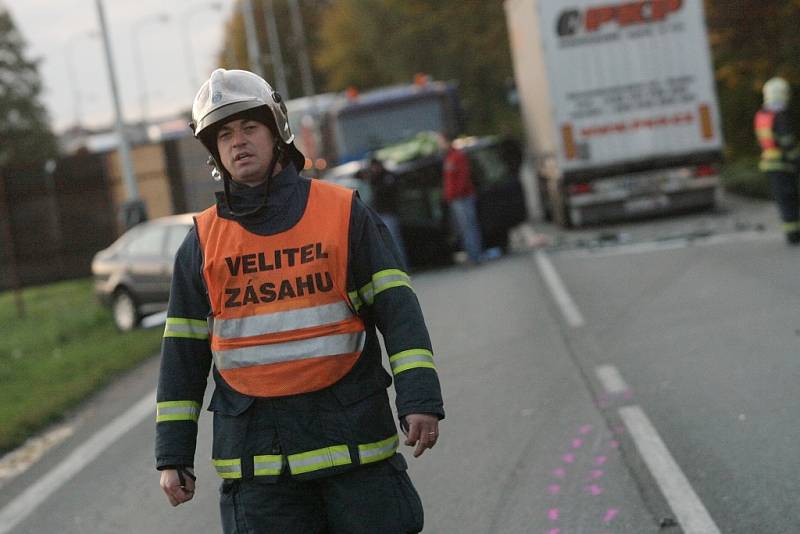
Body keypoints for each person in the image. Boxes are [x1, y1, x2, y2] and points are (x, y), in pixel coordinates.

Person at [155, 68, 444, 534]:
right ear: (214, 151)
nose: (238, 142)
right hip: (260, 467)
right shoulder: (203, 242)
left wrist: (420, 398)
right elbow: (182, 356)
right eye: (224, 134)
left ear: (277, 132)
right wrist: (173, 455)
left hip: (355, 451)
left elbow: (398, 311)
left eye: (250, 127)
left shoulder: (342, 213)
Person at [755, 76, 800, 245]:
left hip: (770, 164)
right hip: (784, 164)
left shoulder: (762, 115)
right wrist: (796, 160)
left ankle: (792, 232)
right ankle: (794, 234)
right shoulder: (780, 116)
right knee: (790, 199)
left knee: (784, 200)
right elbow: (788, 142)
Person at [439, 134, 484, 264]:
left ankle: (475, 256)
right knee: (464, 229)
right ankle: (471, 255)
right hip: (455, 199)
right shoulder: (448, 157)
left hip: (463, 198)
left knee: (469, 228)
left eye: (441, 141)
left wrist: (455, 194)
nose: (440, 145)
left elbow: (463, 177)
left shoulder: (458, 156)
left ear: (447, 141)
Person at [366, 157, 409, 269]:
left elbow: (390, 193)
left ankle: (402, 266)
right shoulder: (375, 178)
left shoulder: (387, 177)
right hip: (380, 213)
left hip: (389, 212)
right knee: (387, 243)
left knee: (394, 241)